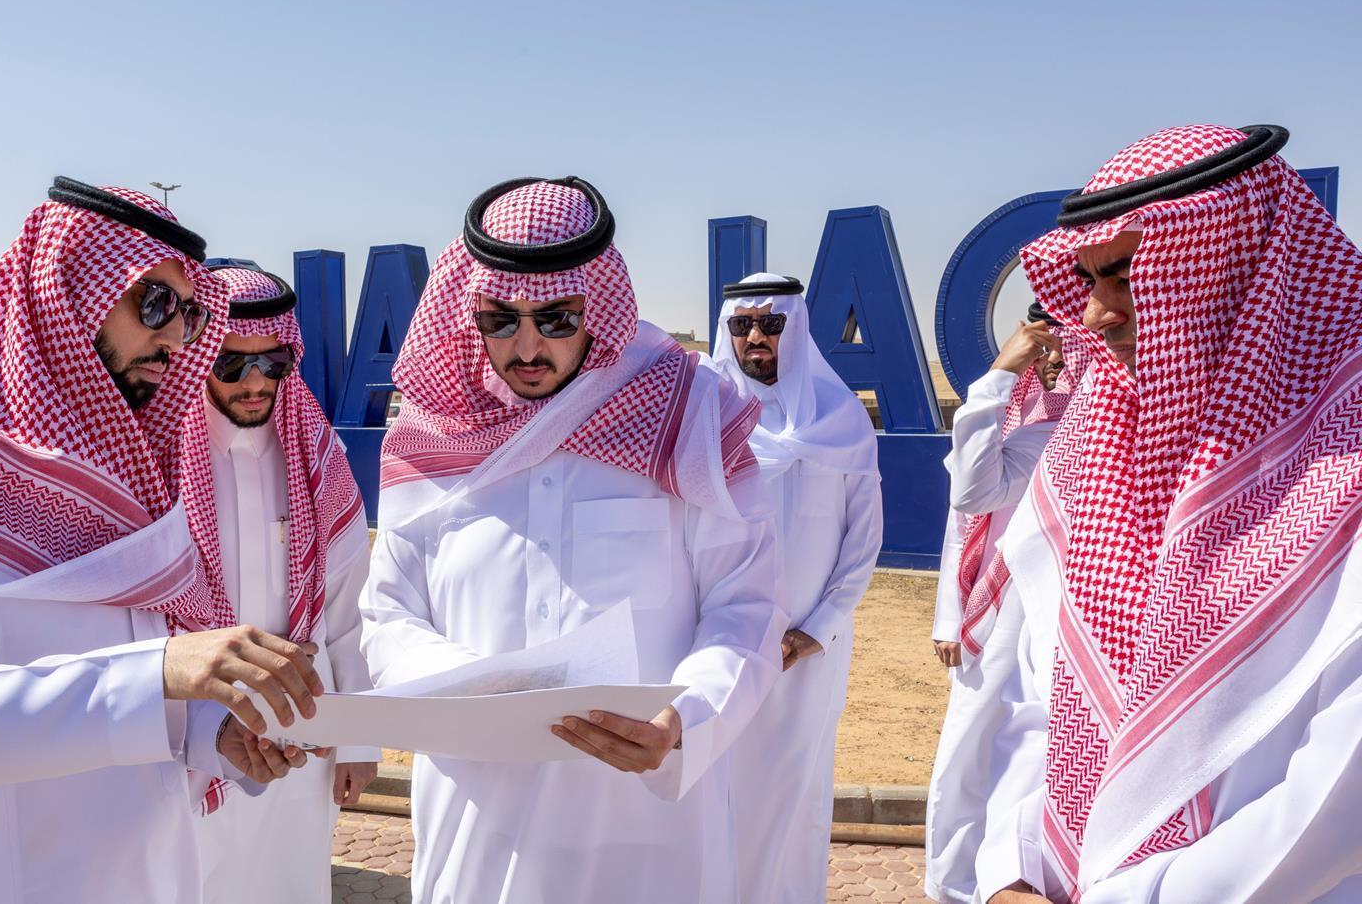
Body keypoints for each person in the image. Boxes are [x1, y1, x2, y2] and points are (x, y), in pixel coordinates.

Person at [0, 178, 325, 904]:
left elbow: (106, 679)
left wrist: (207, 733)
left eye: (190, 313)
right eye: (154, 304)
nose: (177, 340)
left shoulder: (127, 481)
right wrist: (153, 674)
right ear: (67, 293)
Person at [360, 177, 784, 903]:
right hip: (479, 822)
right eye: (500, 319)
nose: (527, 346)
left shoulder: (688, 421)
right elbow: (387, 610)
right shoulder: (429, 438)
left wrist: (688, 716)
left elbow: (747, 607)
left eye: (556, 318)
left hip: (647, 825)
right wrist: (471, 688)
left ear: (598, 308)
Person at [975, 125, 1362, 903]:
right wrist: (1010, 869)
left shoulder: (1343, 469)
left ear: (1232, 268)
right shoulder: (1091, 459)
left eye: (1126, 276)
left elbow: (1336, 803)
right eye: (1088, 280)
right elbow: (1041, 704)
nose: (1096, 314)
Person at [181, 264, 379, 903]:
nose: (254, 381)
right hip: (187, 735)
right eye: (231, 364)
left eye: (272, 363)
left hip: (299, 733)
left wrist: (358, 737)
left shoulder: (318, 459)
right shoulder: (157, 461)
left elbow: (349, 610)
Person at [704, 272, 883, 903]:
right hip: (717, 644)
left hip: (806, 651)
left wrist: (817, 629)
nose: (755, 336)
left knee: (792, 790)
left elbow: (862, 539)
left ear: (796, 326)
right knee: (710, 787)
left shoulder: (842, 421)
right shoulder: (706, 420)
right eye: (742, 325)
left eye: (770, 323)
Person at [924, 306, 1085, 904]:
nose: (1052, 362)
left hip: (1071, 617)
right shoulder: (1031, 427)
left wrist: (997, 380)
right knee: (968, 752)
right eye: (1043, 348)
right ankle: (955, 884)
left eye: (1064, 346)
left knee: (1036, 756)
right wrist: (949, 618)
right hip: (1001, 614)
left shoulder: (1081, 432)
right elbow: (966, 512)